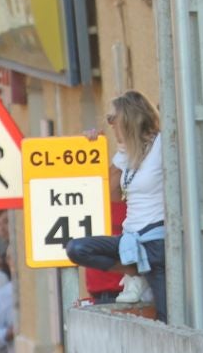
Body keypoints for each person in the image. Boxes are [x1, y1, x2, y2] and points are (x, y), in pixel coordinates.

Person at [65, 91, 166, 320]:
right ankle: (135, 270)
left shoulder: (161, 144)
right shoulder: (127, 152)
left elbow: (200, 158)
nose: (109, 124)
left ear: (129, 118)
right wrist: (93, 150)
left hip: (155, 241)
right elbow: (110, 194)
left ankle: (142, 270)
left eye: (112, 118)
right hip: (130, 240)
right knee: (77, 249)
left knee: (166, 320)